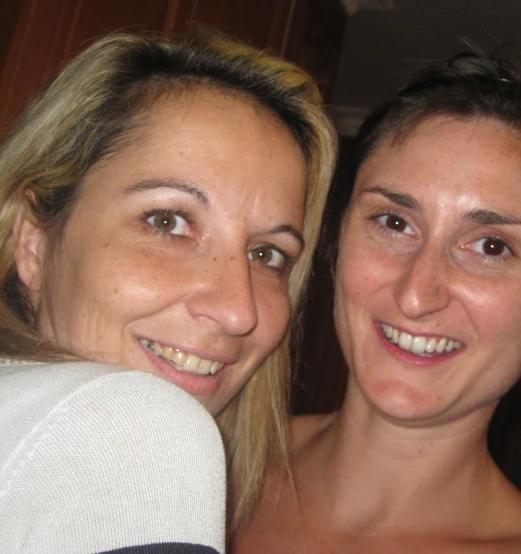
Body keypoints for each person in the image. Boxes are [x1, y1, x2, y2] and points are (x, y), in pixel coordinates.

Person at [235, 51, 521, 553]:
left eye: (491, 246)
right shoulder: (200, 459)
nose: (415, 295)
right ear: (338, 236)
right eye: (393, 223)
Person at [0, 29, 336, 553]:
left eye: (267, 255)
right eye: (167, 220)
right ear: (34, 239)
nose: (237, 310)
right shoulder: (139, 428)